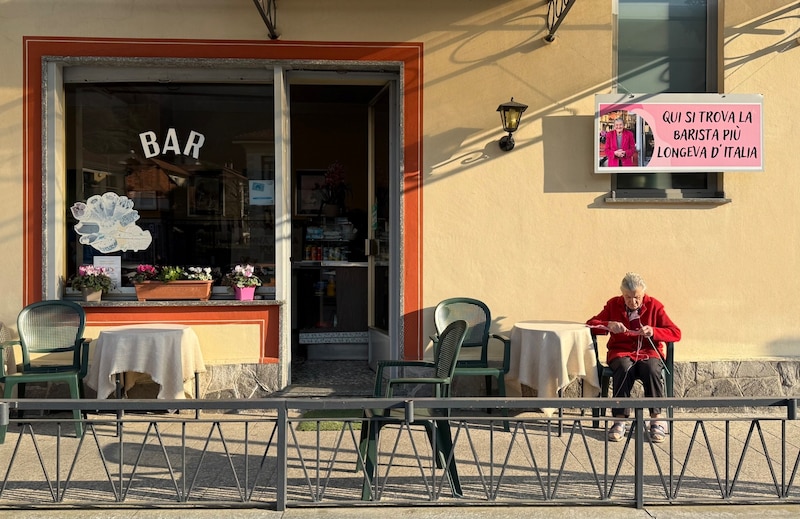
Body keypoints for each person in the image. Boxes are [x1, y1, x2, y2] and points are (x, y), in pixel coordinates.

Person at [586, 272, 681, 443]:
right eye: (628, 297)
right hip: (621, 352)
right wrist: (609, 325)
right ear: (622, 294)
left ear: (643, 294)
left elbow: (675, 333)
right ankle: (619, 419)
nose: (633, 301)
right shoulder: (613, 304)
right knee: (623, 368)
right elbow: (590, 324)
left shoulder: (655, 306)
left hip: (648, 352)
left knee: (651, 369)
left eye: (637, 297)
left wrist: (654, 331)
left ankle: (656, 419)